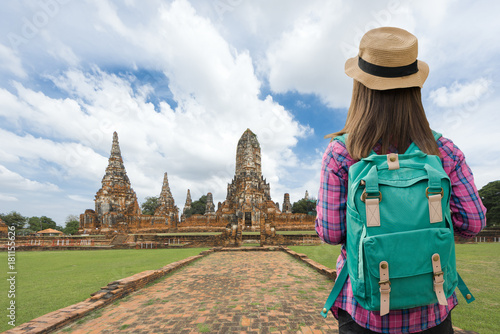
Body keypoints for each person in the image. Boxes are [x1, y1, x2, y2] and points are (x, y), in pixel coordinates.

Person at [315, 27, 487, 334]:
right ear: (414, 89)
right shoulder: (442, 151)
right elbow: (473, 222)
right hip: (431, 308)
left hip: (365, 311)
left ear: (361, 87)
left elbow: (330, 232)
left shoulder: (342, 153)